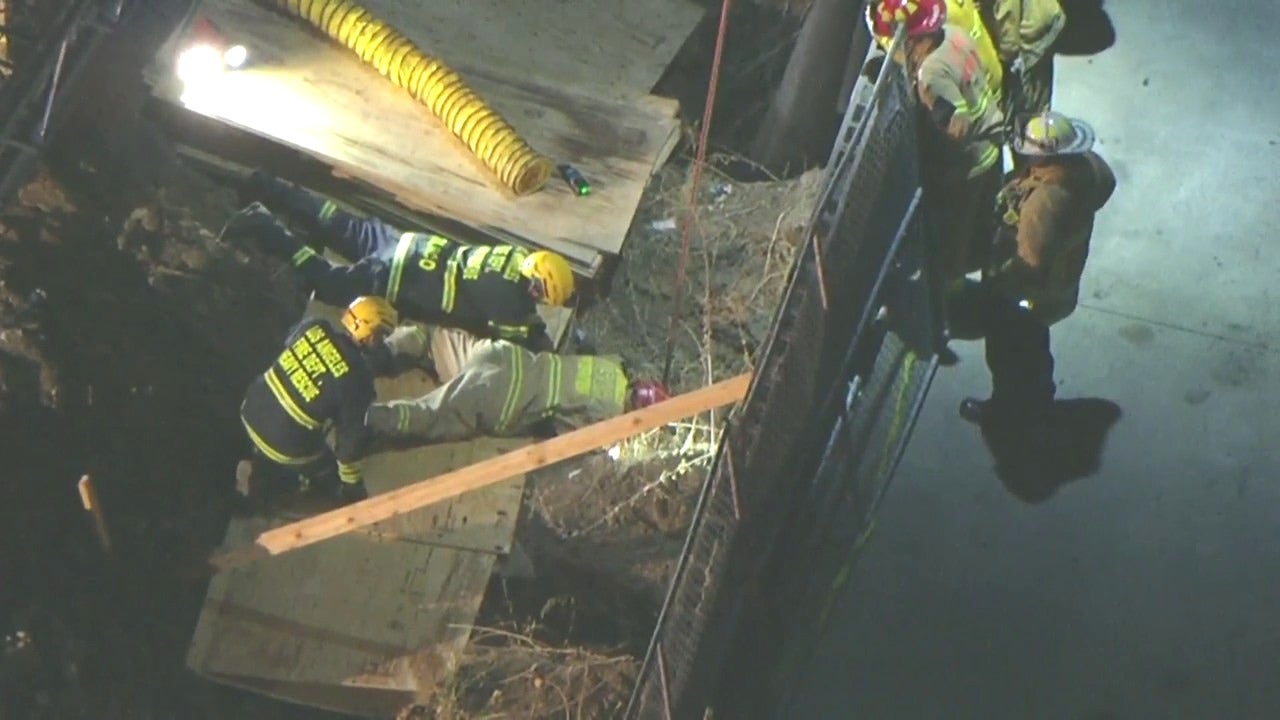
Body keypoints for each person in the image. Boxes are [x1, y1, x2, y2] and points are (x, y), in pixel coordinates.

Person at [226, 172, 575, 351]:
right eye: (540, 292)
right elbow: (520, 337)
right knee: (330, 283)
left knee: (337, 222)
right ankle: (264, 225)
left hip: (409, 244)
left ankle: (267, 185)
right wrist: (540, 339)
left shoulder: (514, 256)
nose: (536, 298)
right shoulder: (511, 301)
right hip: (402, 278)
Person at [960, 111, 1116, 426]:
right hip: (1054, 291)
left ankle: (1010, 413)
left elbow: (1028, 263)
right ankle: (1038, 398)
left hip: (1026, 299)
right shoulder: (1084, 173)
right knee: (1034, 352)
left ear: (1042, 158)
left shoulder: (1045, 203)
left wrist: (995, 283)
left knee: (1010, 357)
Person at [363, 328, 671, 445]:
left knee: (435, 340)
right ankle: (365, 419)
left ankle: (377, 354)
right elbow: (567, 435)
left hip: (505, 357)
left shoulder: (613, 366)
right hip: (504, 399)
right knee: (432, 414)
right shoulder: (612, 415)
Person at [236, 295, 402, 506]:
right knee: (326, 474)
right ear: (372, 336)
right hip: (284, 442)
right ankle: (267, 487)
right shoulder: (358, 380)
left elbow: (292, 346)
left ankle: (252, 459)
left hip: (252, 407)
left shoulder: (314, 325)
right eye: (383, 335)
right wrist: (352, 485)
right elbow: (350, 443)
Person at [867, 0, 1004, 92]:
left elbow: (908, 58)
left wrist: (879, 32)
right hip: (994, 73)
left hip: (982, 97)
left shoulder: (928, 27)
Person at [979, 0, 1066, 117]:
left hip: (1036, 29)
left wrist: (1003, 63)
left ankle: (1036, 120)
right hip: (1042, 12)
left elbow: (1010, 43)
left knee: (1030, 86)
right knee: (1039, 77)